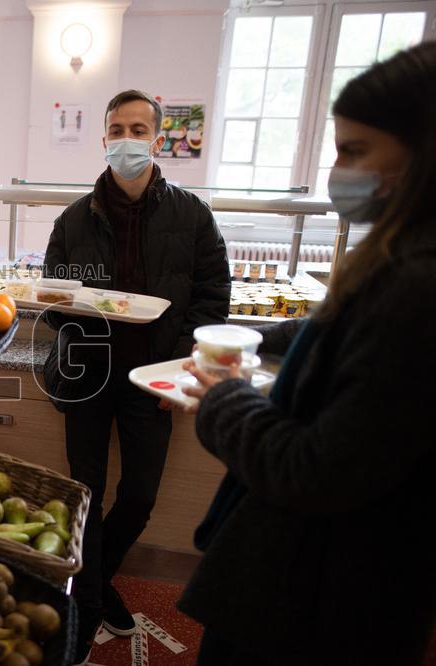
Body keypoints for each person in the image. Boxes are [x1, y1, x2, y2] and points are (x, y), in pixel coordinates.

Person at [178, 42, 436, 666]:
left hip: (317, 605)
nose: (338, 171)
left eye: (355, 151)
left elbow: (315, 470)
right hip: (314, 586)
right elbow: (329, 337)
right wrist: (245, 338)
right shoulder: (398, 262)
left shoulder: (418, 289)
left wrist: (224, 398)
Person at [41, 89, 229, 659]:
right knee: (87, 491)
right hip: (88, 376)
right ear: (104, 140)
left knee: (140, 494)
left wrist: (181, 366)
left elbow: (212, 296)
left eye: (138, 128)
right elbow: (52, 301)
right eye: (118, 129)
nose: (128, 139)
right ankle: (92, 602)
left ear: (156, 137)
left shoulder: (192, 215)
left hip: (153, 377)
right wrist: (70, 302)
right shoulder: (74, 220)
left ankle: (94, 579)